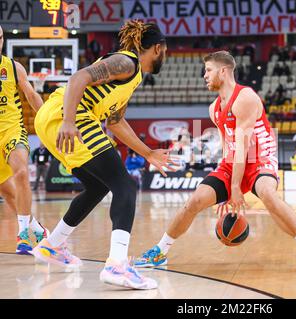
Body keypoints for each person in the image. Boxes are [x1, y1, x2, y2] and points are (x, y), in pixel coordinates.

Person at [135, 51, 296, 272]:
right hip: (232, 161)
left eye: (208, 70)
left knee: (268, 195)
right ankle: (160, 251)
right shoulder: (214, 108)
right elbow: (229, 147)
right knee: (194, 201)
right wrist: (225, 189)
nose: (204, 75)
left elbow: (244, 147)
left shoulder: (245, 97)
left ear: (223, 71)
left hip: (259, 157)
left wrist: (235, 187)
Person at [32, 21, 175, 289]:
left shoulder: (132, 78)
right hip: (67, 115)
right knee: (125, 186)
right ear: (157, 48)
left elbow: (115, 122)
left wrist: (148, 153)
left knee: (98, 187)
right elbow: (78, 78)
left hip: (58, 118)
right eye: (164, 51)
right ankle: (117, 265)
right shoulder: (127, 62)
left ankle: (52, 245)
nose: (164, 56)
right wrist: (70, 120)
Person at [0, 26, 49, 255]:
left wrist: (49, 121)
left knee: (20, 172)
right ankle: (36, 228)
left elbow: (30, 94)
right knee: (8, 192)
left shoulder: (12, 66)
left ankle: (24, 235)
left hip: (12, 129)